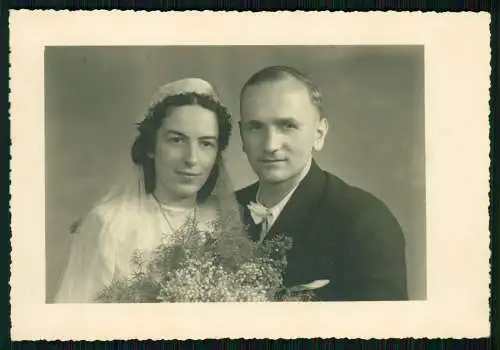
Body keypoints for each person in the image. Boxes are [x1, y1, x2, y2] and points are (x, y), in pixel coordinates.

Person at [54, 78, 239, 303]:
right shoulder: (109, 224)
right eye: (177, 140)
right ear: (151, 147)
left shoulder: (224, 222)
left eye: (206, 143)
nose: (192, 159)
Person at [236, 66, 408, 301]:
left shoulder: (364, 221)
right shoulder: (218, 211)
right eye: (255, 127)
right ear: (241, 136)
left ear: (319, 134)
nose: (270, 145)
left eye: (288, 126)